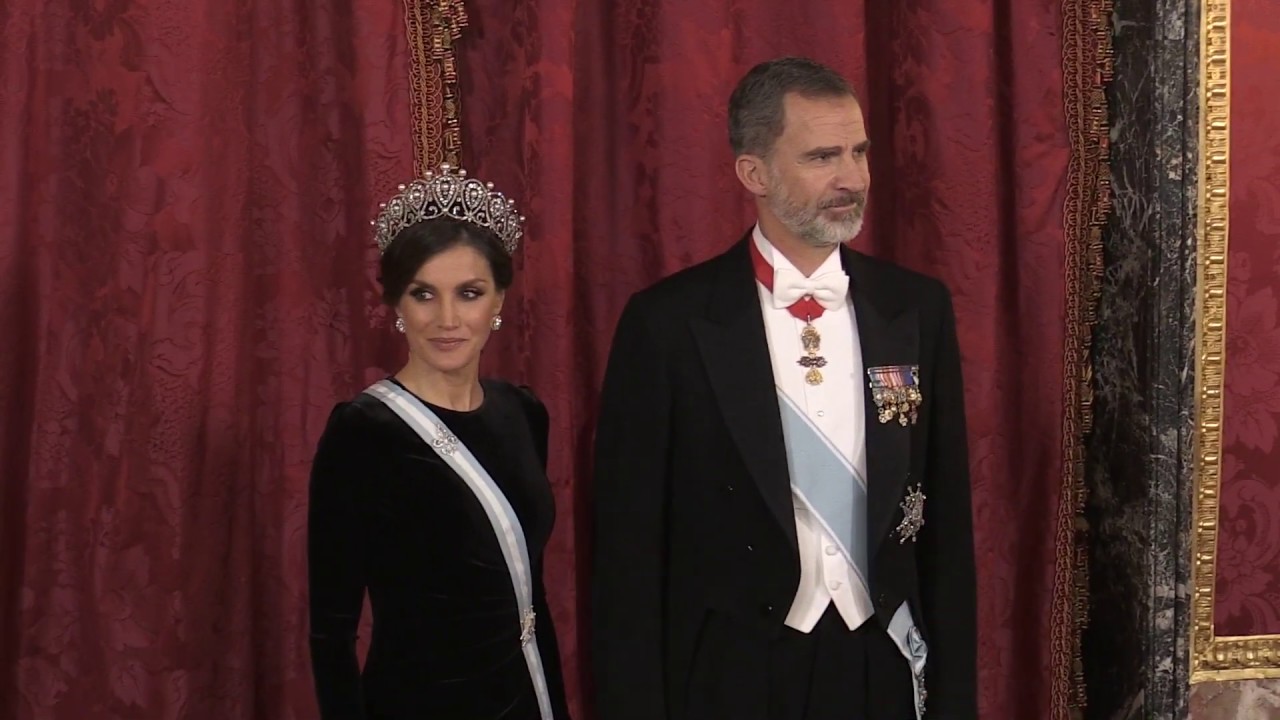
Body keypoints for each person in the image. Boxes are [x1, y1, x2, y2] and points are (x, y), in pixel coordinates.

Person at [591, 57, 977, 720]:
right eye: (822, 156)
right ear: (754, 173)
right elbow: (627, 557)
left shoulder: (915, 309)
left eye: (859, 152)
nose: (852, 178)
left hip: (878, 668)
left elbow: (946, 533)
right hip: (731, 676)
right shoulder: (669, 324)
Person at [307, 165, 570, 720]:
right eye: (423, 294)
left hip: (524, 700)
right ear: (397, 305)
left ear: (499, 300)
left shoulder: (523, 413)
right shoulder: (363, 433)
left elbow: (531, 598)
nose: (447, 319)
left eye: (469, 293)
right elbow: (331, 632)